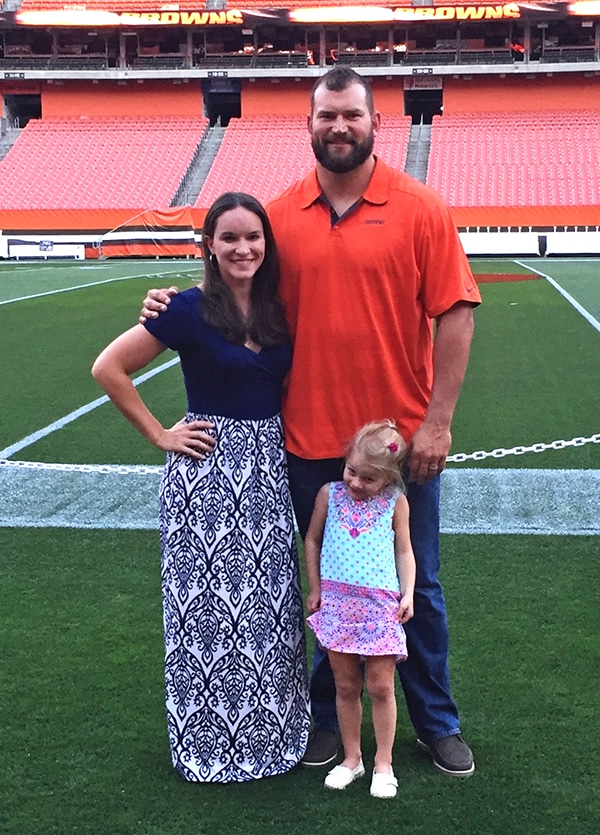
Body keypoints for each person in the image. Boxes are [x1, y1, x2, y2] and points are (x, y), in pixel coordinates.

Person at [140, 66, 482, 777]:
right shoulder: (279, 215)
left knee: (414, 586)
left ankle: (436, 718)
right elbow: (234, 288)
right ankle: (327, 717)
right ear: (309, 125)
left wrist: (439, 423)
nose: (339, 127)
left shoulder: (421, 207)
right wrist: (171, 302)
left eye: (351, 115)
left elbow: (455, 311)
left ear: (374, 122)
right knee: (324, 584)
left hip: (396, 445)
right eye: (326, 116)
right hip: (304, 441)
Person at [92, 191, 310, 783]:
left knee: (269, 612)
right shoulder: (184, 309)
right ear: (209, 245)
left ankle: (273, 734)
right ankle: (209, 742)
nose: (243, 248)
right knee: (207, 615)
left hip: (267, 475)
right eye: (230, 237)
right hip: (205, 479)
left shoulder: (279, 309)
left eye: (253, 237)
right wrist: (161, 434)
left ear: (268, 243)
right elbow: (108, 368)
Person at [305, 421, 416, 798]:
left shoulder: (395, 503)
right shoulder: (329, 494)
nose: (355, 483)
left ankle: (383, 763)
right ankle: (352, 758)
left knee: (381, 687)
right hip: (336, 605)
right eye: (351, 471)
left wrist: (409, 593)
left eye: (368, 479)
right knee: (346, 685)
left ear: (388, 479)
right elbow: (313, 540)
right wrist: (316, 588)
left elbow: (404, 550)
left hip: (379, 608)